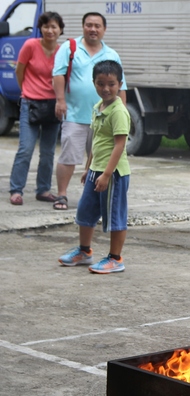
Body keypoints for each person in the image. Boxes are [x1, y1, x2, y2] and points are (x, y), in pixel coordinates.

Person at [57, 60, 131, 274]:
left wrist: (107, 174)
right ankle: (84, 251)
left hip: (114, 173)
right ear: (94, 84)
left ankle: (115, 258)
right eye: (100, 84)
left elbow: (119, 145)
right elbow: (96, 140)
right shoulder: (97, 107)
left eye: (111, 84)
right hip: (96, 171)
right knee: (85, 211)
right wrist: (88, 168)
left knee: (114, 215)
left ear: (119, 84)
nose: (106, 88)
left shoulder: (118, 111)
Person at [51, 12, 127, 210]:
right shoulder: (70, 48)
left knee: (101, 157)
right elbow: (58, 74)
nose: (93, 29)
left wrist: (123, 113)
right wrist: (60, 100)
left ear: (104, 29)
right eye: (89, 25)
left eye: (97, 26)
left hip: (104, 117)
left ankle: (98, 197)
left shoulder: (112, 54)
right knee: (69, 156)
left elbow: (122, 85)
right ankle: (62, 195)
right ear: (83, 26)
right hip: (75, 114)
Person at [8, 12, 64, 206]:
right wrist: (26, 91)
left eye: (54, 26)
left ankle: (43, 189)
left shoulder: (62, 51)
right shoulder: (30, 45)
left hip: (52, 106)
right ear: (40, 28)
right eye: (46, 26)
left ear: (60, 30)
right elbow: (19, 70)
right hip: (30, 103)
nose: (50, 30)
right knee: (26, 148)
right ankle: (16, 190)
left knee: (48, 152)